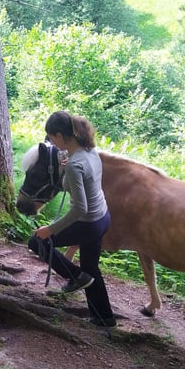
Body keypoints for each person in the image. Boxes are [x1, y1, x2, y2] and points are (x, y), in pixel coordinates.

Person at [28, 111, 116, 328]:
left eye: (51, 137)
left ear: (60, 135)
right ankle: (104, 318)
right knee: (91, 269)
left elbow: (79, 209)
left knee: (37, 241)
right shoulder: (90, 151)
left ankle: (76, 276)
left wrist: (51, 228)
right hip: (102, 218)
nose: (51, 142)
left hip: (88, 223)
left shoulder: (76, 164)